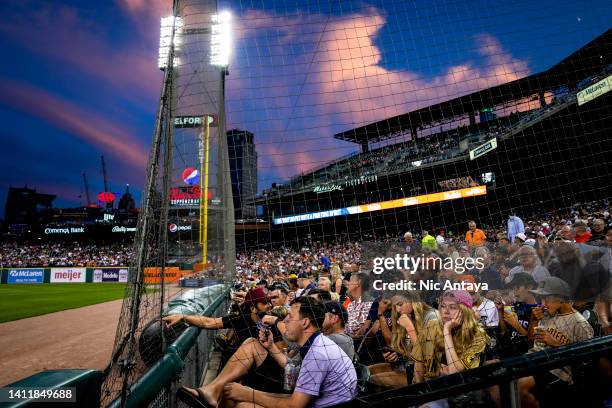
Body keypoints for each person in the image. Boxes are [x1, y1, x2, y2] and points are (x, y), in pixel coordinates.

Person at [222, 297, 358, 408]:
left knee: (244, 406)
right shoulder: (317, 344)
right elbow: (294, 387)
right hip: (314, 402)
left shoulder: (318, 354)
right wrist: (270, 346)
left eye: (290, 317)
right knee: (237, 396)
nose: (285, 321)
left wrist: (248, 394)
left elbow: (294, 405)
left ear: (305, 323)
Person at [517, 277, 594, 408]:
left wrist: (556, 344)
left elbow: (587, 363)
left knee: (519, 386)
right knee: (498, 381)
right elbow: (530, 344)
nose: (542, 304)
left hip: (558, 371)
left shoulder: (580, 323)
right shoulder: (546, 315)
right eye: (541, 299)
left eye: (546, 298)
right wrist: (534, 320)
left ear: (561, 298)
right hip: (534, 360)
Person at [411, 290, 488, 407]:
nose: (445, 311)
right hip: (432, 388)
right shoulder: (432, 325)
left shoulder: (478, 335)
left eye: (452, 307)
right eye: (443, 306)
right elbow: (418, 364)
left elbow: (453, 372)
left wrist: (447, 330)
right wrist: (420, 396)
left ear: (464, 311)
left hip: (463, 393)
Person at [369, 293, 438, 389]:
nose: (397, 310)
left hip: (424, 372)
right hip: (406, 365)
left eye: (400, 304)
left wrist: (410, 328)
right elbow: (400, 346)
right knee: (367, 371)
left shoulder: (431, 317)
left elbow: (426, 357)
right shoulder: (406, 315)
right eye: (395, 306)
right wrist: (397, 354)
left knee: (372, 379)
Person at [345, 272, 373, 338]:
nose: (348, 283)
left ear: (358, 283)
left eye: (350, 281)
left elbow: (360, 330)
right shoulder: (351, 304)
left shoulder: (368, 302)